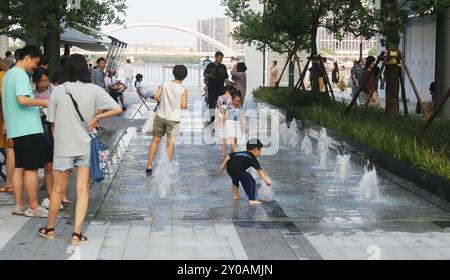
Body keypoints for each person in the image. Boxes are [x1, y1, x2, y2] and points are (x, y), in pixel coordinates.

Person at [38, 54, 122, 245]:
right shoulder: (94, 90)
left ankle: (50, 229)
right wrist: (97, 118)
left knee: (58, 190)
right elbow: (117, 108)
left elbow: (52, 124)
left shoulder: (58, 91)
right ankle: (76, 234)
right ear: (85, 69)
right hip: (85, 145)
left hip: (63, 147)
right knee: (83, 190)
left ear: (67, 69)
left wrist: (58, 143)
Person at [2, 45, 49, 217]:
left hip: (16, 129)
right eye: (35, 63)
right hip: (28, 128)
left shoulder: (8, 74)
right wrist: (43, 103)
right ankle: (34, 206)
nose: (35, 67)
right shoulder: (21, 75)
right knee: (32, 169)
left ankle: (19, 205)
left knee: (19, 168)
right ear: (28, 58)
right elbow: (22, 99)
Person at [146, 65, 189, 176]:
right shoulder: (183, 90)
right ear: (185, 76)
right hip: (173, 120)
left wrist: (163, 101)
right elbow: (184, 106)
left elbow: (156, 96)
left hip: (160, 116)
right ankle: (166, 169)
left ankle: (149, 166)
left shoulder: (165, 84)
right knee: (170, 143)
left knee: (155, 141)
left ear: (173, 73)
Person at [220, 139, 272, 205]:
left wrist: (223, 165)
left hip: (229, 167)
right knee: (251, 181)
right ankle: (252, 199)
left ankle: (235, 196)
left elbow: (229, 155)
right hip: (238, 169)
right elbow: (259, 170)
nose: (260, 153)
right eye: (260, 150)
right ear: (256, 150)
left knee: (235, 180)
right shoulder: (252, 157)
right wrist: (266, 180)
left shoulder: (241, 152)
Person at [0, 58, 14, 193]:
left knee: (10, 151)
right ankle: (10, 182)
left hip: (4, 120)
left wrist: (5, 123)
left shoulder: (2, 77)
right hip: (8, 119)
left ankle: (10, 183)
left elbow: (4, 100)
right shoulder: (7, 76)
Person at [204, 52, 230, 126]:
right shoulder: (210, 65)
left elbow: (226, 78)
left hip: (221, 88)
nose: (220, 59)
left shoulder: (223, 67)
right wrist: (209, 75)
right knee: (211, 104)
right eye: (219, 57)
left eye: (221, 57)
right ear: (215, 57)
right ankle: (212, 119)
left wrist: (230, 84)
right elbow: (205, 74)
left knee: (221, 104)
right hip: (211, 88)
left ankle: (221, 120)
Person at [215, 85, 235, 159]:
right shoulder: (232, 99)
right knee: (232, 138)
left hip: (222, 119)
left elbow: (218, 109)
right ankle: (233, 154)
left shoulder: (219, 97)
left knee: (224, 140)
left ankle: (222, 155)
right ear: (231, 91)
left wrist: (219, 120)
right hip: (230, 120)